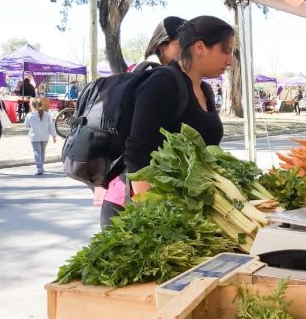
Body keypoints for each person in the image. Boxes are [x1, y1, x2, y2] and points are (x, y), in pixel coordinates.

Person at [100, 15, 233, 228]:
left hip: (181, 207)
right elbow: (137, 156)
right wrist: (155, 218)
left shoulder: (205, 90)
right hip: (137, 209)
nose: (230, 60)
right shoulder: (163, 82)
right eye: (225, 51)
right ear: (200, 47)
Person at [24, 98, 57, 175]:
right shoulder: (47, 115)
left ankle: (39, 168)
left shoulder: (30, 115)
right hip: (45, 137)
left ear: (32, 106)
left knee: (37, 152)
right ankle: (41, 166)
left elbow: (26, 125)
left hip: (34, 137)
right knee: (42, 152)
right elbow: (51, 126)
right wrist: (54, 136)